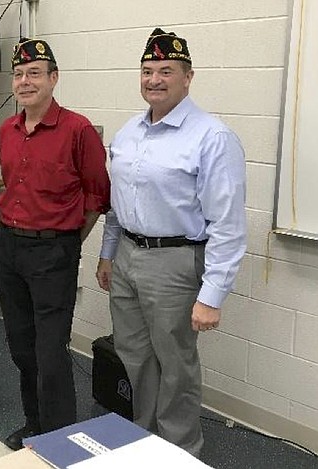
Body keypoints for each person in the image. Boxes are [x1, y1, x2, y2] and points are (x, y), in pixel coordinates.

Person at [96, 28, 246, 457]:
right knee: (134, 357)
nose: (154, 79)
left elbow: (229, 225)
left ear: (188, 77)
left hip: (176, 264)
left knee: (175, 366)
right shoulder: (128, 134)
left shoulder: (212, 138)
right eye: (147, 71)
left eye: (166, 70)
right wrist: (109, 255)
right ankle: (142, 443)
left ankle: (179, 453)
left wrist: (212, 295)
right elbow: (116, 204)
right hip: (127, 256)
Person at [0, 38, 111, 451]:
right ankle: (34, 425)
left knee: (51, 354)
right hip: (8, 247)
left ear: (53, 78)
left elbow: (98, 196)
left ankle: (61, 442)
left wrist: (66, 241)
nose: (25, 81)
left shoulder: (77, 129)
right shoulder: (6, 130)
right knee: (21, 348)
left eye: (35, 73)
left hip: (53, 252)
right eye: (20, 74)